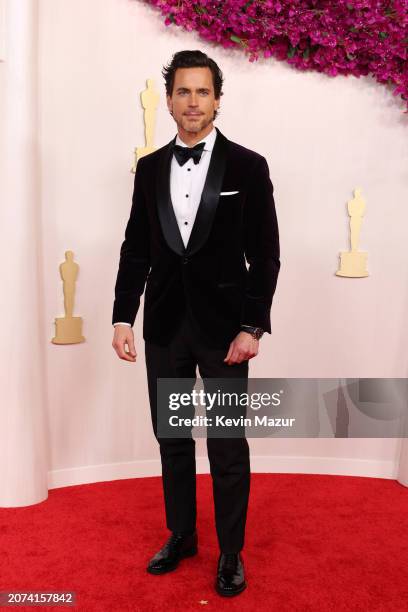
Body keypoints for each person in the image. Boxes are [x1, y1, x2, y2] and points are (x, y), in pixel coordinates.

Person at [112, 49, 280, 597]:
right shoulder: (150, 167)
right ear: (169, 100)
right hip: (164, 328)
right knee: (172, 439)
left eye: (202, 92)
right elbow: (136, 248)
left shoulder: (249, 167)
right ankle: (181, 534)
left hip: (226, 330)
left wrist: (252, 327)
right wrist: (122, 316)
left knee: (227, 443)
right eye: (182, 92)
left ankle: (230, 551)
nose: (192, 102)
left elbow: (267, 254)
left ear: (217, 100)